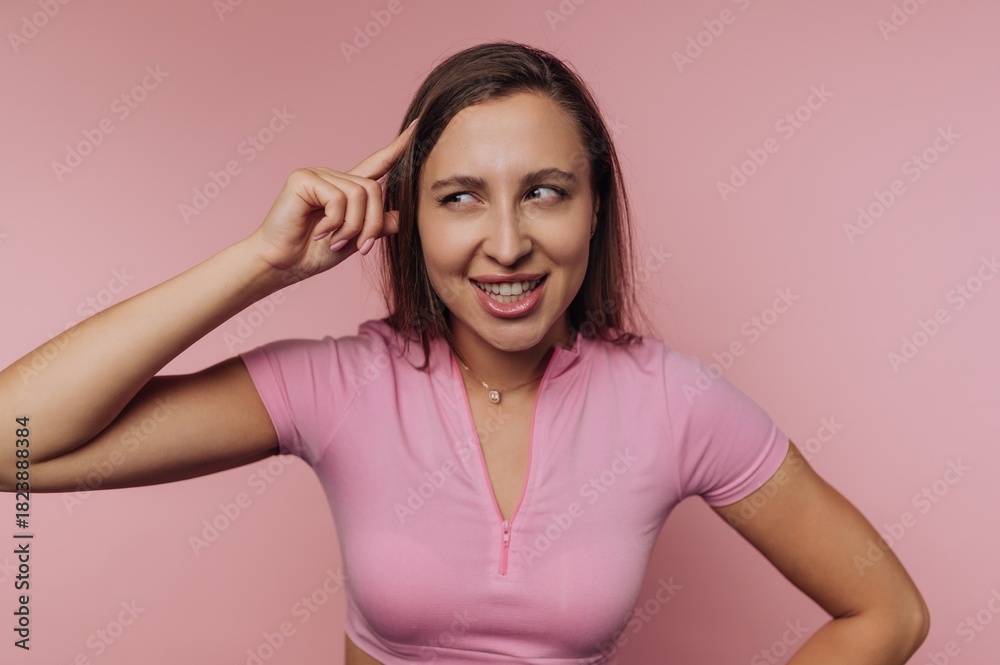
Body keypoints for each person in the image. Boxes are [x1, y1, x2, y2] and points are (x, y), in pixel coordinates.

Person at [1, 41, 928, 663]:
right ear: (407, 219)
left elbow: (888, 611)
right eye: (461, 197)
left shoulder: (675, 403)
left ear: (595, 208)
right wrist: (260, 263)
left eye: (546, 191)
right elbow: (15, 444)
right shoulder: (341, 385)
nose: (508, 243)